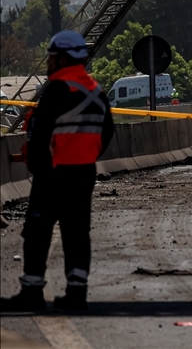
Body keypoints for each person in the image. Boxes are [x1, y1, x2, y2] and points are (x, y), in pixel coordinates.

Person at [2, 30, 114, 313]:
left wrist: (37, 168)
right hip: (83, 173)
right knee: (77, 233)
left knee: (38, 232)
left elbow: (40, 135)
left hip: (53, 173)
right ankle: (77, 294)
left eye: (51, 57)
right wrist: (87, 156)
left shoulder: (57, 88)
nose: (49, 63)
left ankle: (31, 292)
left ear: (62, 58)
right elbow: (107, 131)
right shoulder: (95, 90)